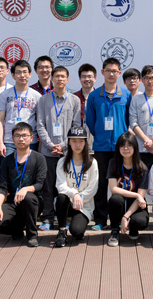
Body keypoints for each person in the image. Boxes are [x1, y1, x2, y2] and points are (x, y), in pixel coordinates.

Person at [85, 57, 132, 230]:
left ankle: (119, 219)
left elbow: (128, 119)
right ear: (102, 72)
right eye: (108, 71)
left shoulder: (126, 95)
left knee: (121, 183)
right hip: (101, 147)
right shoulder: (94, 96)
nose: (111, 74)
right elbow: (91, 122)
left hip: (121, 148)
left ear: (119, 73)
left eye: (114, 71)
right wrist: (101, 135)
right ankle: (100, 219)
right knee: (101, 184)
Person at [36, 66, 82, 231]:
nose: (60, 79)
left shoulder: (74, 100)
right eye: (57, 76)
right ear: (52, 79)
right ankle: (48, 218)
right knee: (48, 187)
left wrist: (62, 145)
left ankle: (66, 218)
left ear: (67, 79)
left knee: (68, 187)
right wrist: (50, 145)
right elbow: (40, 125)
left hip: (68, 152)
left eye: (63, 76)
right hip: (47, 152)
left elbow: (76, 126)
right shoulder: (43, 100)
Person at [0, 123, 47, 247]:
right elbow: (2, 187)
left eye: (24, 135)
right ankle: (17, 228)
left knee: (28, 197)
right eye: (17, 136)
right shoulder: (7, 161)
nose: (21, 139)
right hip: (12, 201)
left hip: (33, 202)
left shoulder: (39, 158)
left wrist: (25, 189)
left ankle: (32, 235)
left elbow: (40, 184)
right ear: (12, 138)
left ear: (31, 138)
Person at [54, 127, 99, 247]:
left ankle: (76, 224)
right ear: (69, 142)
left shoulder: (92, 162)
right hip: (67, 202)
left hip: (84, 205)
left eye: (81, 141)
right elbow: (60, 185)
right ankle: (62, 230)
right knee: (61, 197)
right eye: (74, 141)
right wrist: (74, 194)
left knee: (77, 232)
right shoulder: (62, 162)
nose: (77, 145)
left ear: (85, 142)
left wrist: (80, 197)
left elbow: (93, 188)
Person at [107, 133, 150, 246]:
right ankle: (115, 230)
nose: (126, 149)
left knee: (140, 222)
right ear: (118, 148)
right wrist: (136, 195)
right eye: (122, 146)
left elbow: (140, 196)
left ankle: (133, 227)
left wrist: (125, 216)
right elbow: (113, 189)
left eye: (129, 145)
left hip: (135, 205)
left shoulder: (142, 168)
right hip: (120, 202)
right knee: (115, 199)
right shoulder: (113, 163)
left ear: (135, 147)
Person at [0, 60, 42, 157]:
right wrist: (0, 143)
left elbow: (39, 122)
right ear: (13, 75)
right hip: (9, 141)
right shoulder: (5, 94)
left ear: (30, 74)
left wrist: (40, 144)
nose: (22, 75)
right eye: (18, 72)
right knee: (9, 166)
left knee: (30, 166)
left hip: (30, 141)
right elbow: (0, 120)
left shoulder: (36, 96)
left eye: (25, 72)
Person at [129, 65, 153, 168]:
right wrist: (147, 141)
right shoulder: (135, 99)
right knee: (142, 176)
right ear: (142, 80)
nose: (150, 81)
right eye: (147, 78)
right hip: (140, 147)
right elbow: (133, 123)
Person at [73, 63, 97, 153]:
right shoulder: (73, 97)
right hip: (78, 138)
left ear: (95, 78)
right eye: (84, 77)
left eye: (90, 76)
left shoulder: (101, 97)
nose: (87, 79)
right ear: (80, 79)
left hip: (97, 138)